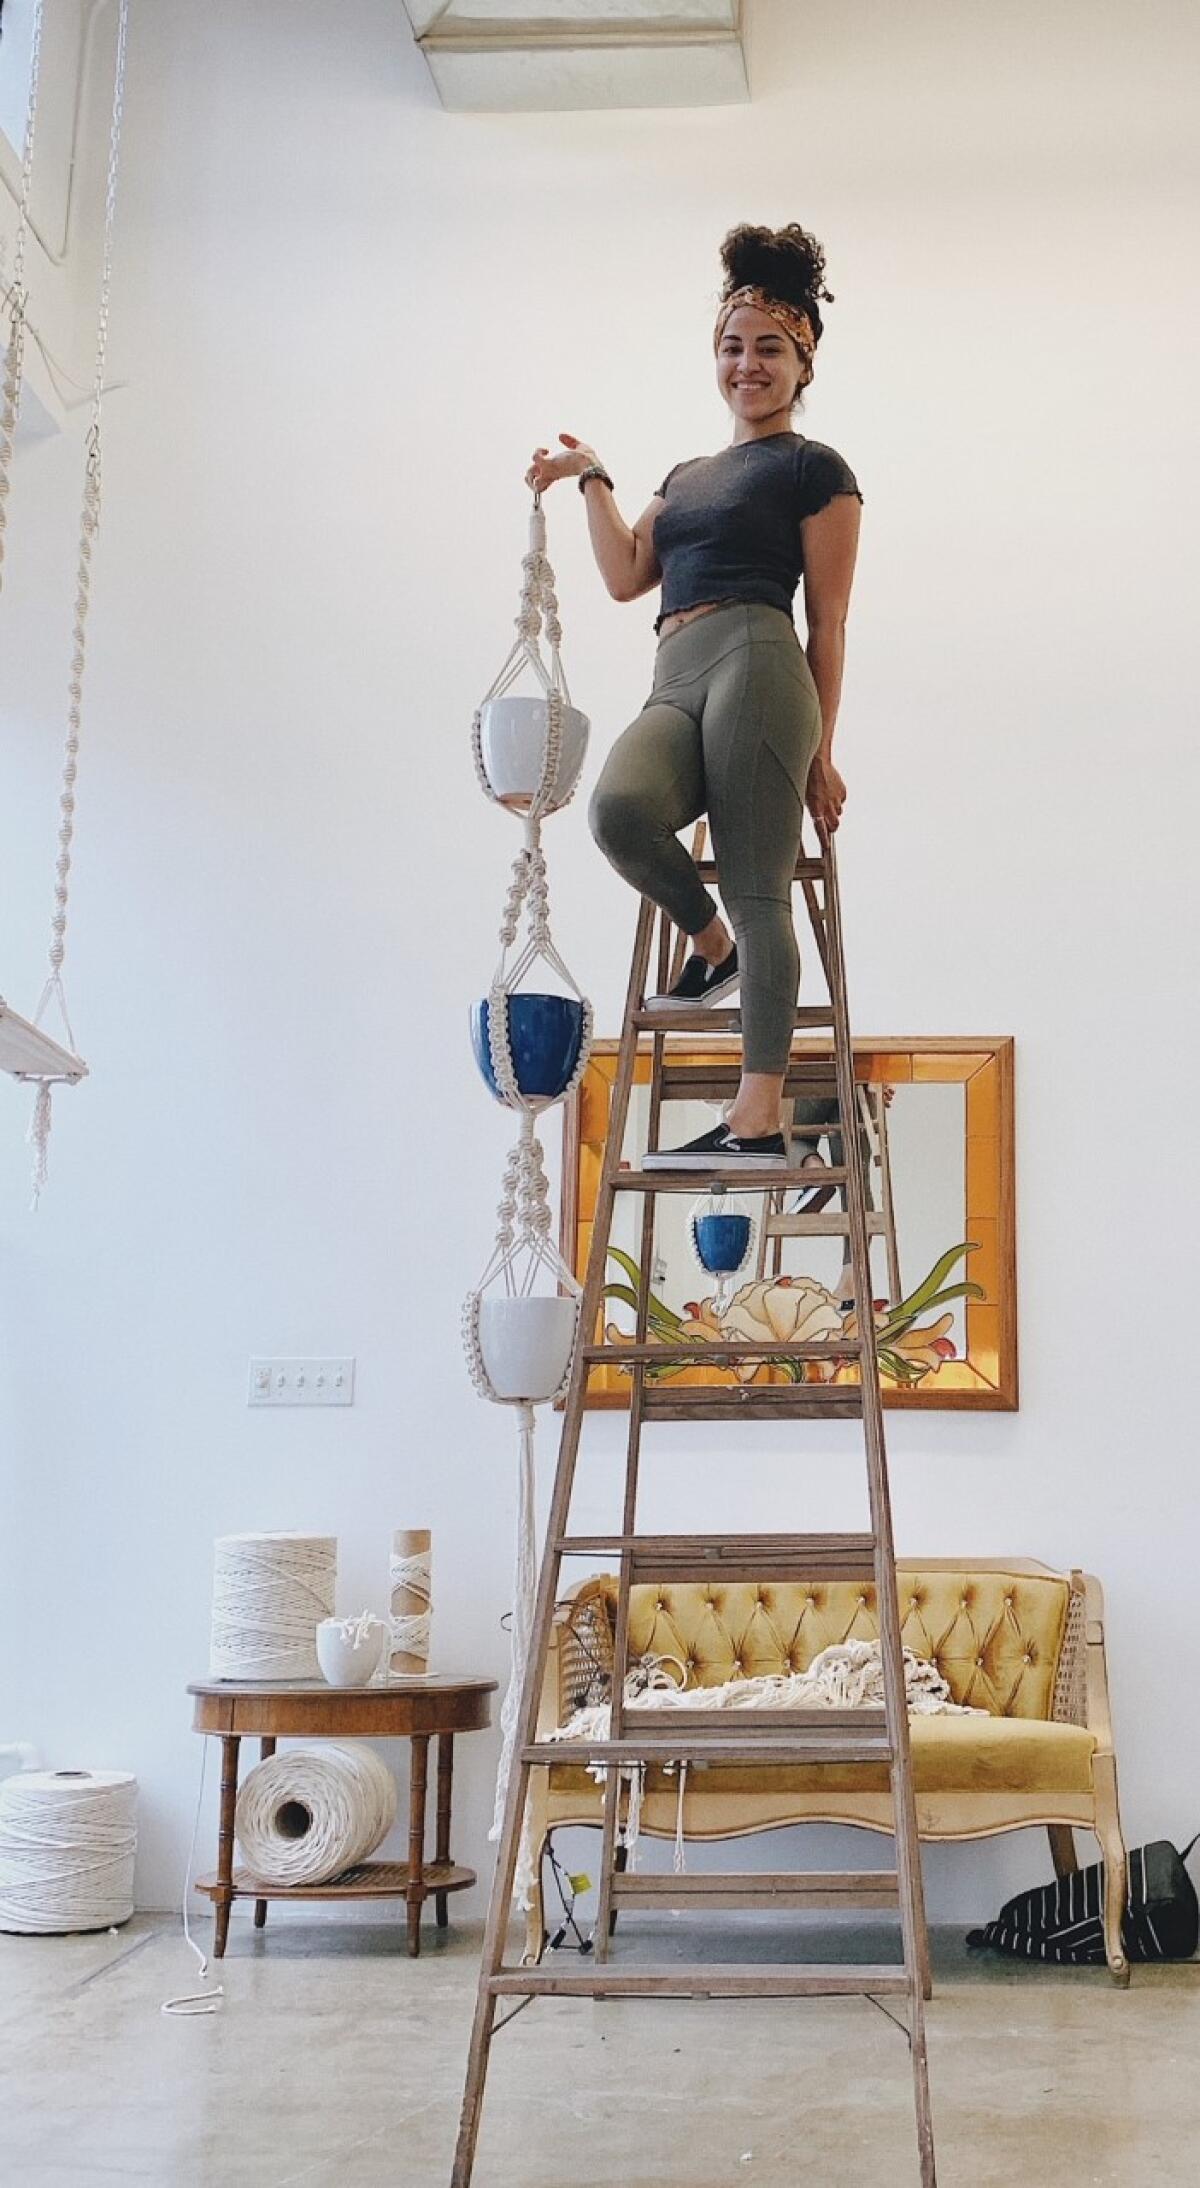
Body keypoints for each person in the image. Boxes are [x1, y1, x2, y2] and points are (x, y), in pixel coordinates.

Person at [524, 221, 862, 1170]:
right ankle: (708, 948)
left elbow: (828, 621)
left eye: (769, 349)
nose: (747, 364)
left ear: (802, 364)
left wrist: (819, 753)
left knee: (762, 888)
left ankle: (757, 1117)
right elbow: (628, 574)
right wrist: (592, 476)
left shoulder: (815, 469)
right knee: (619, 810)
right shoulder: (686, 477)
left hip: (760, 660)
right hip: (675, 670)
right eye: (733, 347)